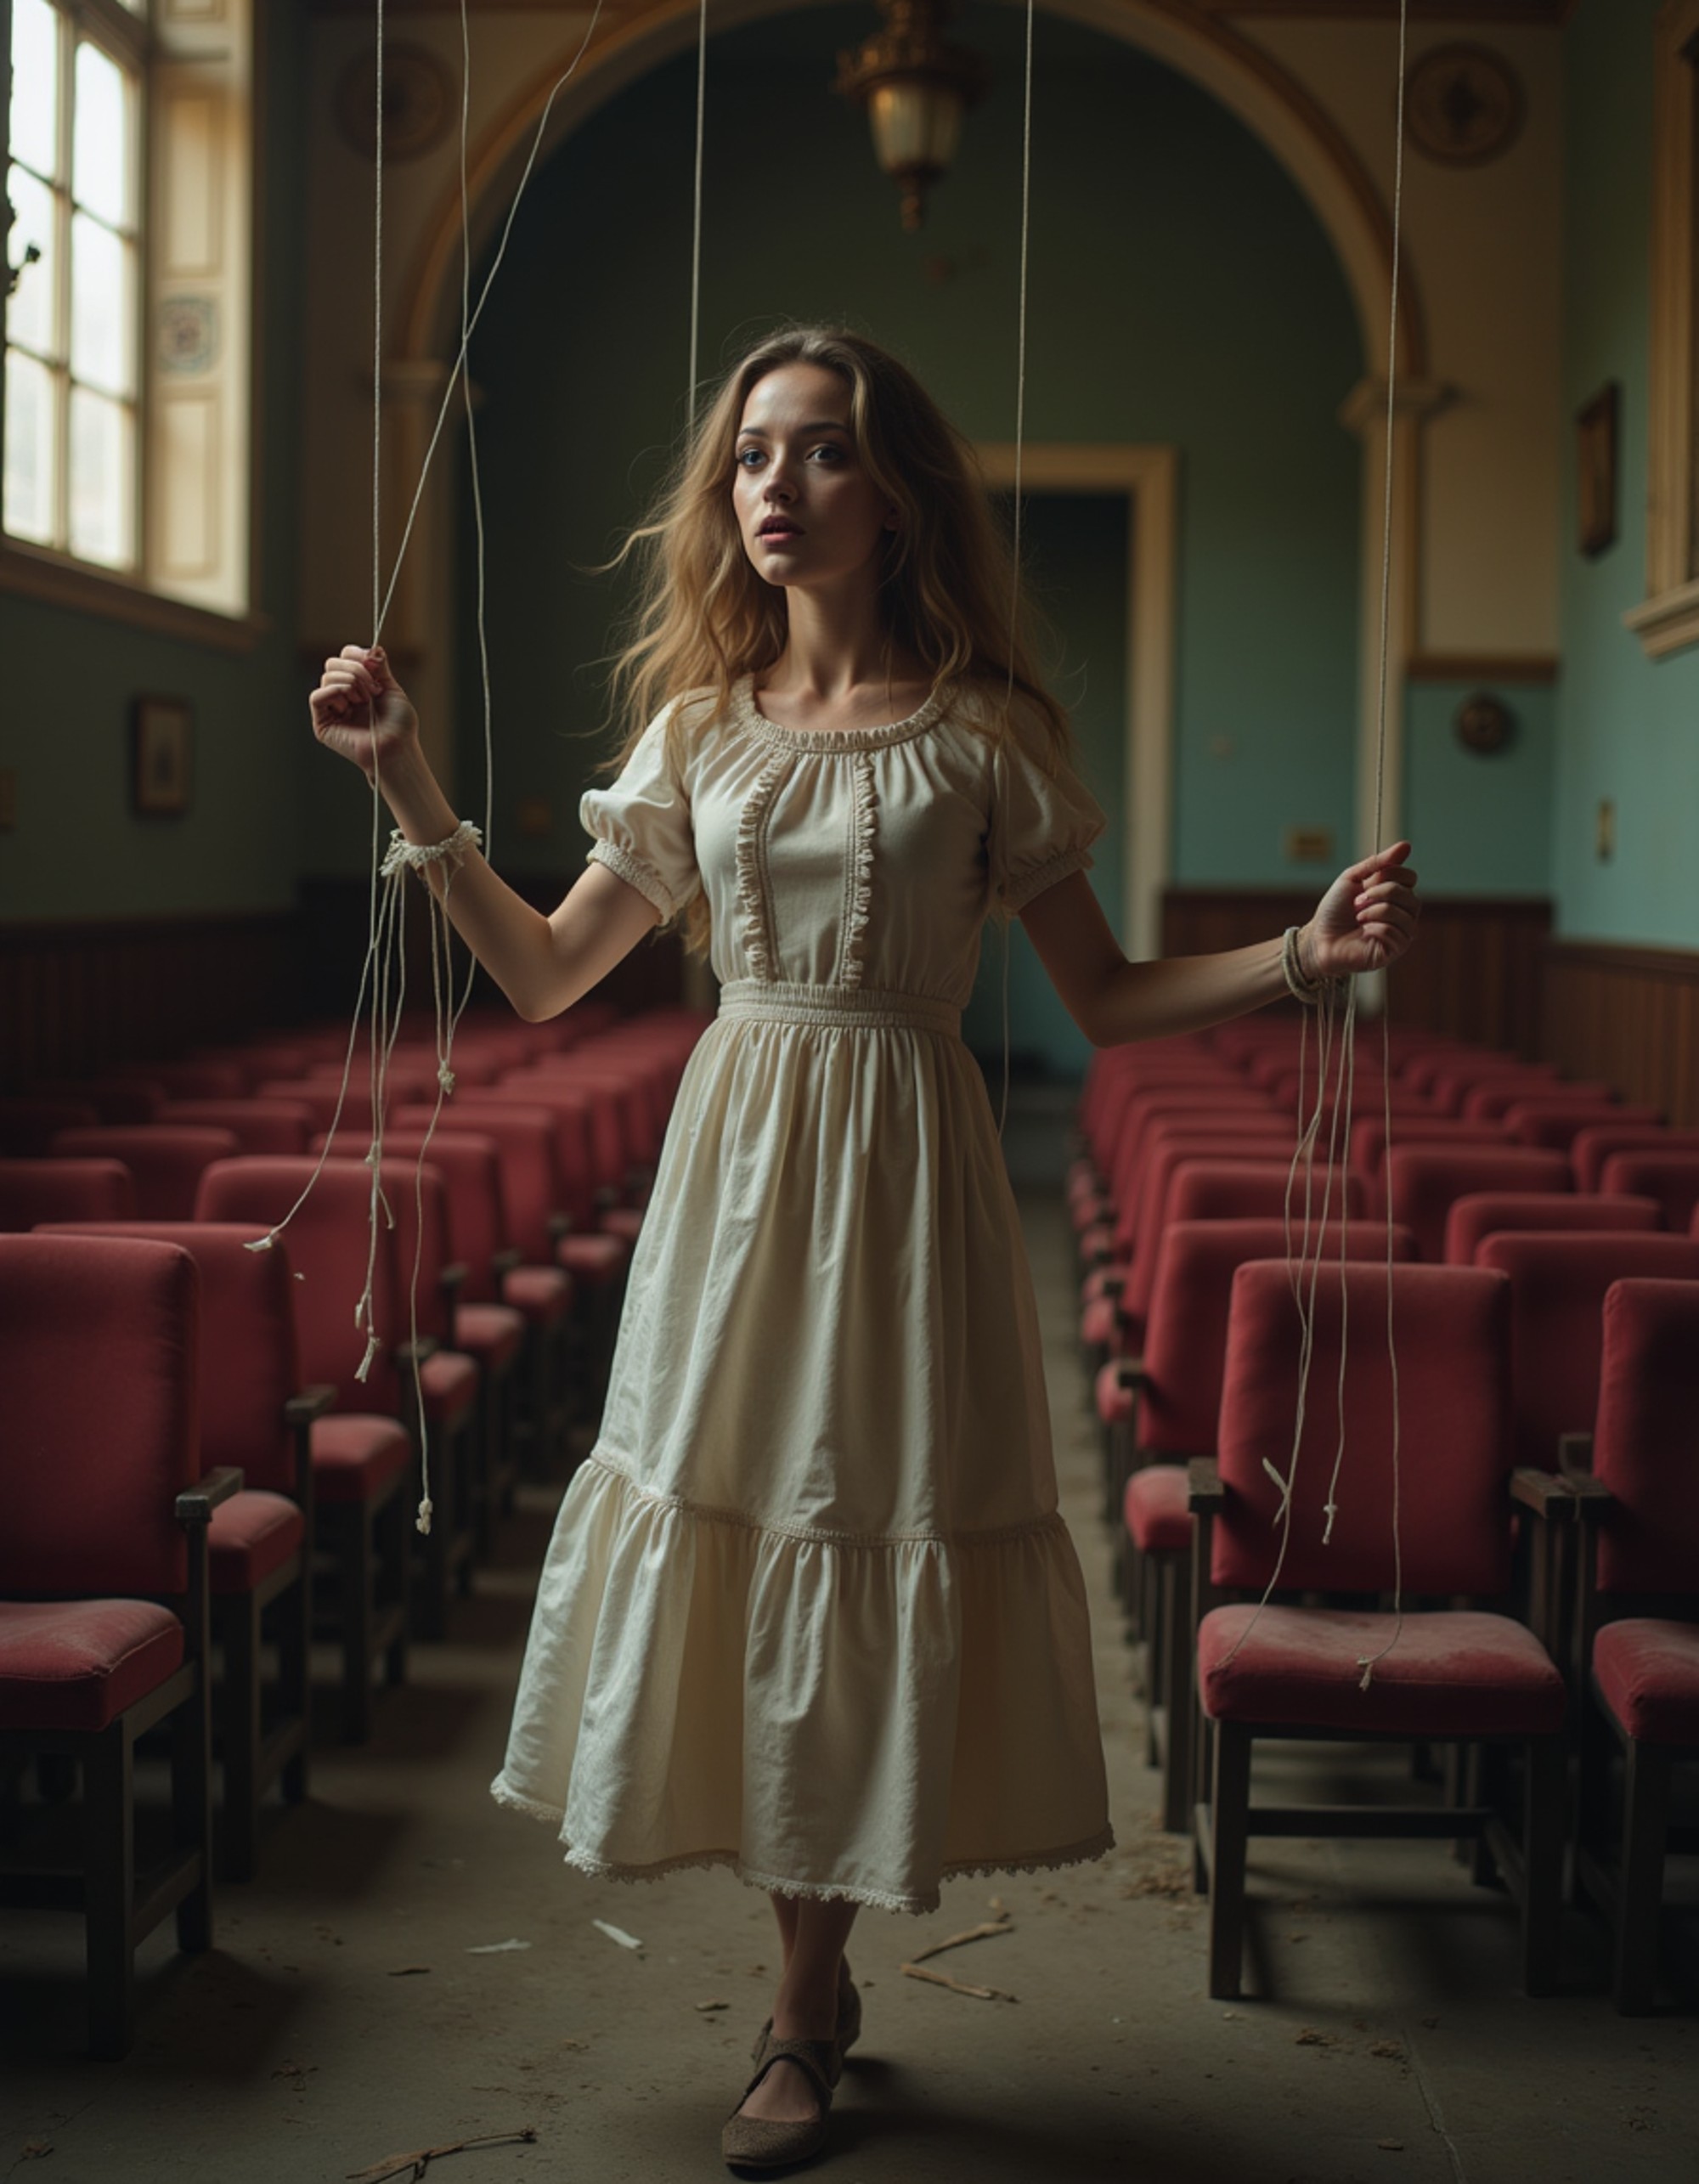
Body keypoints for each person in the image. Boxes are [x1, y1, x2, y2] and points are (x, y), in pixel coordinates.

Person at [311, 324, 1420, 2173]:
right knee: (747, 1516)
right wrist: (407, 781)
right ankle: (809, 1990)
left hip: (904, 1170)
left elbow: (1110, 993)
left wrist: (1300, 956)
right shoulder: (697, 731)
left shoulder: (985, 735)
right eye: (753, 453)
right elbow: (544, 972)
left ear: (895, 495)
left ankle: (803, 1996)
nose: (777, 485)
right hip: (736, 1169)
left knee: (857, 1521)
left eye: (821, 450)